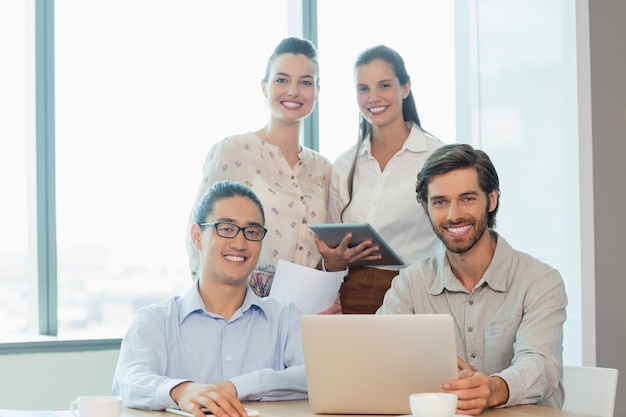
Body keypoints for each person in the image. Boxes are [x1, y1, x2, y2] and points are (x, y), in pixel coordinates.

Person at [378, 144, 567, 415]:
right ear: (426, 208)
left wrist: (494, 388)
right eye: (440, 202)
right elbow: (379, 357)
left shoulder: (540, 281)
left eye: (467, 198)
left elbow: (540, 365)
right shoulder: (409, 284)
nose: (454, 215)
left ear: (491, 199)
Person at [113, 181, 307, 417]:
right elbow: (127, 381)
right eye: (226, 228)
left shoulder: (285, 317)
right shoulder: (155, 320)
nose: (240, 243)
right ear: (197, 236)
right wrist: (181, 391)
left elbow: (317, 376)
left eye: (252, 232)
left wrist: (238, 386)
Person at [186, 37, 332, 301]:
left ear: (317, 92)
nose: (293, 91)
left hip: (306, 314)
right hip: (240, 312)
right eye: (282, 80)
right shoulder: (233, 151)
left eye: (306, 82)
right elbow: (197, 236)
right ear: (264, 87)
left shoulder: (324, 169)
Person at [316, 45, 443, 314]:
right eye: (363, 89)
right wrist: (334, 259)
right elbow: (331, 245)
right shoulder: (344, 164)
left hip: (415, 298)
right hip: (352, 297)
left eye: (384, 85)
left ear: (405, 87)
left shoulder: (436, 158)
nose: (373, 97)